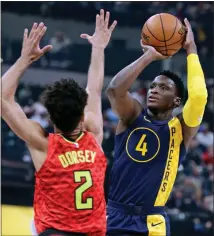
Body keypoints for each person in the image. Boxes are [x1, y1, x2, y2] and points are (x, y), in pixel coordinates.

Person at [1, 9, 117, 236]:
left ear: (50, 117)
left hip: (54, 232)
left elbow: (3, 99)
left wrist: (25, 59)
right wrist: (98, 47)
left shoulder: (42, 143)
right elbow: (94, 88)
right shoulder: (93, 133)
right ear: (83, 116)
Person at [106, 18, 207, 236]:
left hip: (152, 222)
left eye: (163, 87)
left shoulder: (181, 128)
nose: (154, 90)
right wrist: (149, 56)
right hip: (114, 215)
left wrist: (191, 49)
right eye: (152, 86)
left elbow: (199, 96)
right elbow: (114, 90)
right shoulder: (133, 115)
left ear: (176, 101)